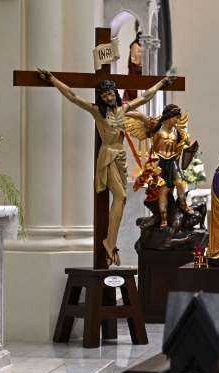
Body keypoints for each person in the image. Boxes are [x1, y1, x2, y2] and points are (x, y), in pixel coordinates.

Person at [38, 69, 175, 265]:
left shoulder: (122, 109)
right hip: (108, 155)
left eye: (111, 93)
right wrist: (52, 79)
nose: (109, 97)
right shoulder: (97, 111)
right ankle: (109, 243)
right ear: (101, 98)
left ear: (115, 93)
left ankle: (111, 242)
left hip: (120, 155)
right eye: (104, 95)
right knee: (121, 196)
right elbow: (73, 96)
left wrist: (161, 83)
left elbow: (145, 97)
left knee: (123, 198)